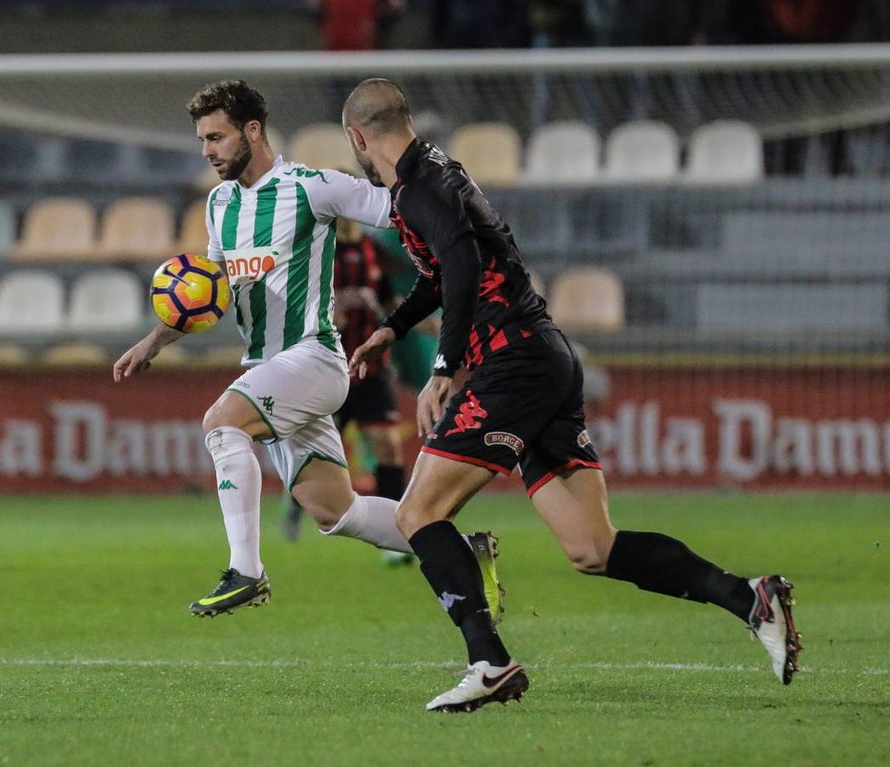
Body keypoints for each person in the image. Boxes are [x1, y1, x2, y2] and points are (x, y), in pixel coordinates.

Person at [341, 78, 802, 712]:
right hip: (544, 358)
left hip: (513, 366)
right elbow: (448, 269)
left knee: (416, 513)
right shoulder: (435, 173)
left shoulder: (420, 188)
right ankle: (749, 598)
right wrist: (393, 328)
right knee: (592, 547)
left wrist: (444, 365)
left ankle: (489, 661)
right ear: (406, 120)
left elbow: (464, 264)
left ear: (357, 138)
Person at [112, 80, 502, 619]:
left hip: (314, 357)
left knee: (221, 422)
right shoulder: (220, 203)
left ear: (253, 131)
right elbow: (211, 294)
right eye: (202, 140)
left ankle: (245, 571)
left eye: (217, 137)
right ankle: (464, 549)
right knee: (333, 511)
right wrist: (155, 339)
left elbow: (397, 206)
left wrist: (461, 219)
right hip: (269, 367)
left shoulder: (311, 187)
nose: (207, 150)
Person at [280, 217, 409, 547]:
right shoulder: (315, 251)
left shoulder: (373, 251)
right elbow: (290, 303)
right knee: (319, 455)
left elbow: (387, 301)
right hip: (327, 368)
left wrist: (417, 322)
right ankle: (296, 506)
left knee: (388, 446)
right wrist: (320, 314)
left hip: (371, 368)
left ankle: (398, 528)